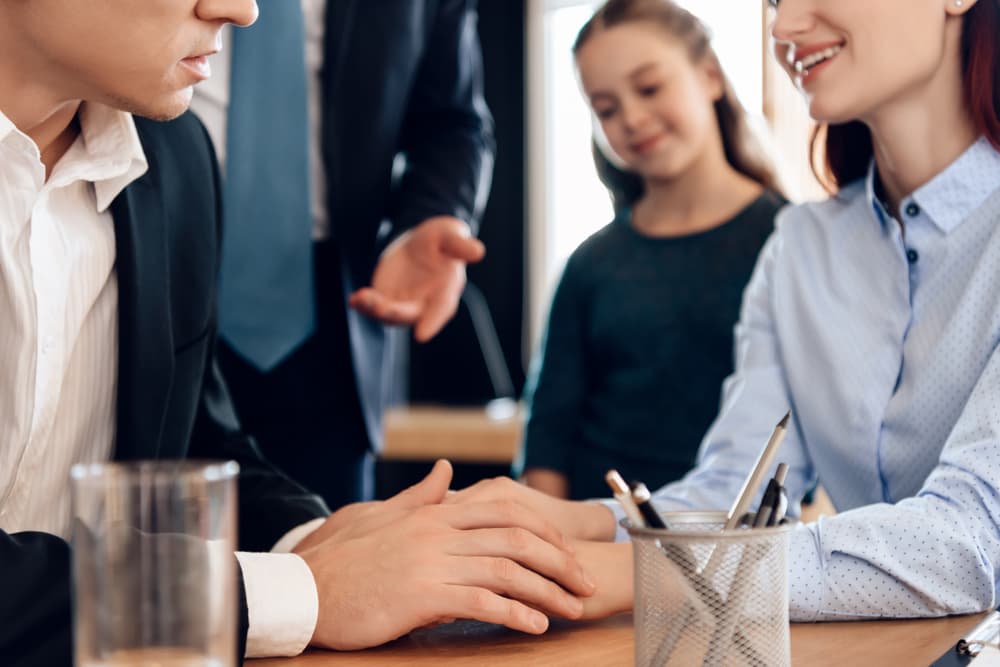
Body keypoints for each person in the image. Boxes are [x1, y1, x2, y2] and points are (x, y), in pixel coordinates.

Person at [0, 1, 591, 664]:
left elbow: (190, 437)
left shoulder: (176, 162)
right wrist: (296, 591)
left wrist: (332, 541)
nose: (243, 10)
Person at [446, 0, 1000, 622]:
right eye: (773, 3)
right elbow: (737, 492)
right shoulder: (798, 247)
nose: (783, 28)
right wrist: (573, 521)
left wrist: (653, 570)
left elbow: (974, 540)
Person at [189, 0, 495, 508]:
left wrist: (432, 214)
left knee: (327, 543)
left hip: (330, 313)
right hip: (150, 267)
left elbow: (454, 121)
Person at [519, 0, 787, 500]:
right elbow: (547, 441)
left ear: (709, 76)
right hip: (594, 543)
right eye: (606, 108)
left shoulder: (789, 241)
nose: (633, 119)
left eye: (649, 88)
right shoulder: (590, 265)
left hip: (735, 545)